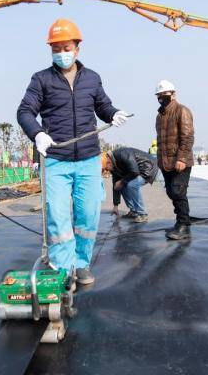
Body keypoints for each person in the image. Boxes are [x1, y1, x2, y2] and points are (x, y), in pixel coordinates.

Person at [17, 18, 129, 286]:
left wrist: (113, 114)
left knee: (88, 215)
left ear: (77, 48)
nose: (61, 53)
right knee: (57, 216)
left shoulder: (92, 78)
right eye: (55, 49)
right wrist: (38, 133)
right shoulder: (41, 79)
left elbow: (103, 106)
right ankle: (62, 267)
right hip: (57, 161)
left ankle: (81, 264)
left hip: (89, 159)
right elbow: (24, 112)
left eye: (65, 47)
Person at [154, 79, 195, 240]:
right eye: (159, 95)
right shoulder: (160, 116)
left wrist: (182, 158)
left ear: (173, 94)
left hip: (180, 162)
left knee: (179, 192)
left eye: (165, 94)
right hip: (166, 162)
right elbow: (160, 140)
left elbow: (187, 137)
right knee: (171, 192)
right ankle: (180, 222)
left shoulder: (181, 111)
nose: (161, 97)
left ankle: (184, 225)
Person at [102, 147, 159, 223]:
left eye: (105, 169)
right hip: (137, 171)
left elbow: (134, 171)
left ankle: (142, 214)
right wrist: (115, 206)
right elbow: (115, 186)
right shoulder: (113, 166)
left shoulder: (122, 154)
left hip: (149, 168)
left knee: (132, 185)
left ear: (108, 162)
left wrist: (122, 181)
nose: (106, 171)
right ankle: (134, 211)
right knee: (120, 185)